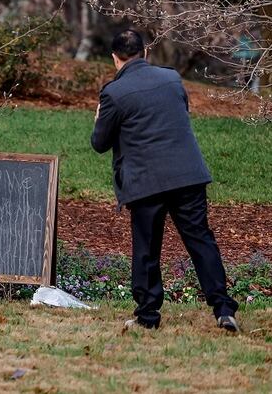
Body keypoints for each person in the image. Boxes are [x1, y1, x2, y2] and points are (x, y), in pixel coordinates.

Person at [91, 30, 239, 332]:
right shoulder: (172, 78)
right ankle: (223, 308)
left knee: (147, 248)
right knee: (200, 240)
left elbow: (99, 143)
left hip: (146, 181)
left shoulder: (114, 93)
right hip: (188, 174)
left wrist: (99, 118)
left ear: (115, 58)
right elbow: (178, 113)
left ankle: (148, 316)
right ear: (145, 53)